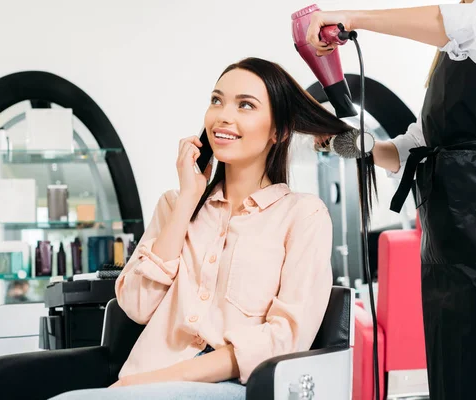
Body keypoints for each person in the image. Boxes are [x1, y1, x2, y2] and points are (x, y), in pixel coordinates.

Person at [49, 57, 358, 400]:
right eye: (216, 100)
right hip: (140, 382)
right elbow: (136, 305)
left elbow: (285, 336)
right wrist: (187, 200)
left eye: (245, 105)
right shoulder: (173, 205)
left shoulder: (303, 216)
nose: (223, 115)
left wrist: (164, 379)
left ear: (279, 130)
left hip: (231, 388)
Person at [307, 1, 476, 399]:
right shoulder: (447, 54)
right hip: (444, 241)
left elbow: (465, 25)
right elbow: (415, 146)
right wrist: (361, 145)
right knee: (453, 365)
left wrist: (356, 18)